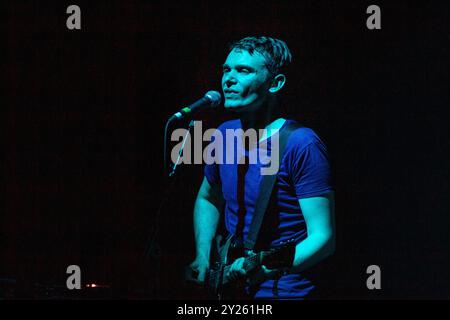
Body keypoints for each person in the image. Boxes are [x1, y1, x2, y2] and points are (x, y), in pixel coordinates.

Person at [189, 36, 335, 299]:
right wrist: (202, 255)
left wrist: (265, 269)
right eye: (226, 70)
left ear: (276, 83)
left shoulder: (302, 143)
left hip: (285, 289)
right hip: (231, 288)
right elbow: (208, 197)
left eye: (243, 70)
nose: (228, 79)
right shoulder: (223, 135)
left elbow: (323, 237)